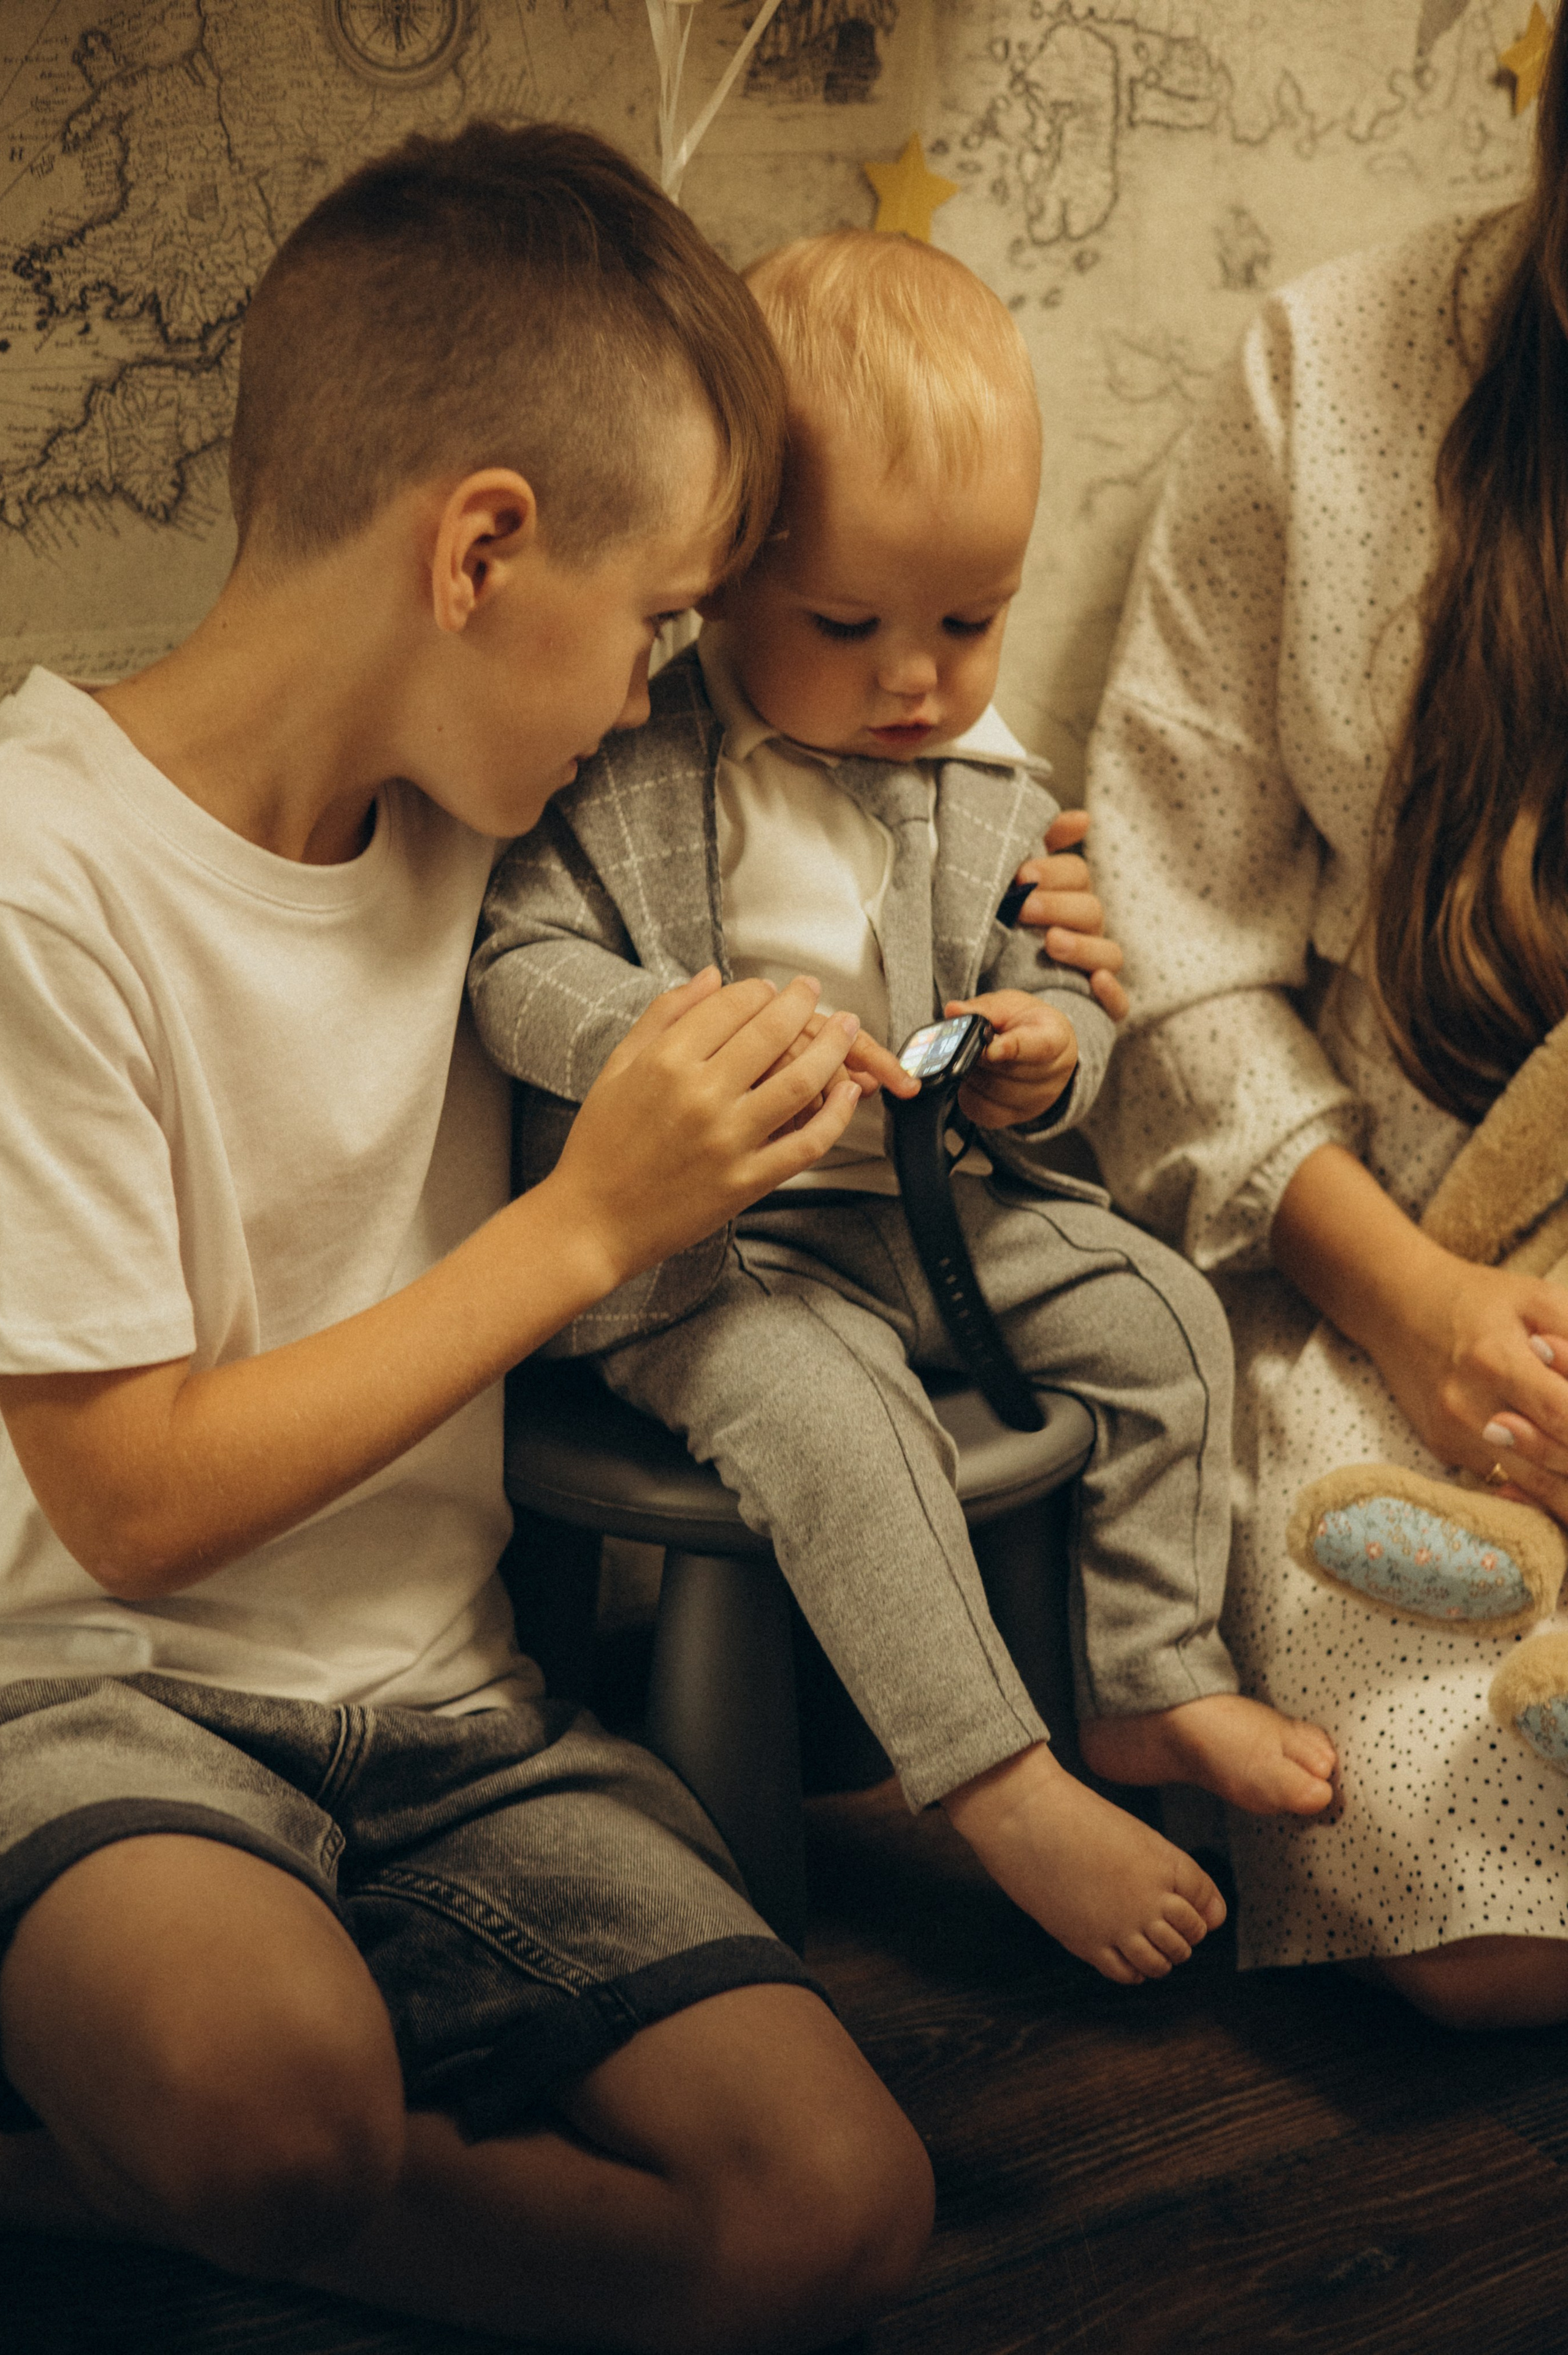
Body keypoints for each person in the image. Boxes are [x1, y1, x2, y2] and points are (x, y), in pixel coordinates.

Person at [0, 124, 941, 2350]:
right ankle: (210, 2158)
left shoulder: (492, 838)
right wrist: (587, 1222)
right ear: (481, 551)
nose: (649, 702)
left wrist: (1009, 971)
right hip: (93, 1698)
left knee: (849, 2208)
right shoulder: (44, 880)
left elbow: (827, 832)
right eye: (651, 631)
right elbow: (127, 1507)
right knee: (273, 2101)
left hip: (456, 1725)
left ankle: (142, 2186)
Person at [472, 228, 1337, 1994]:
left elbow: (1078, 1001)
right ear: (721, 577)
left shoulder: (985, 777)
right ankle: (995, 1782)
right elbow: (512, 965)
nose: (918, 678)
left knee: (1168, 1315)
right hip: (711, 1251)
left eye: (972, 618)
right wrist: (679, 1032)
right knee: (838, 1410)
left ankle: (1151, 1682)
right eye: (851, 624)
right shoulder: (628, 757)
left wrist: (1042, 1054)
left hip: (931, 1209)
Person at [1082, 18, 1568, 2030]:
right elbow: (1163, 917)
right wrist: (1418, 1319)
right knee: (1491, 1955)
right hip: (1405, 1255)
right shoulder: (1329, 367)